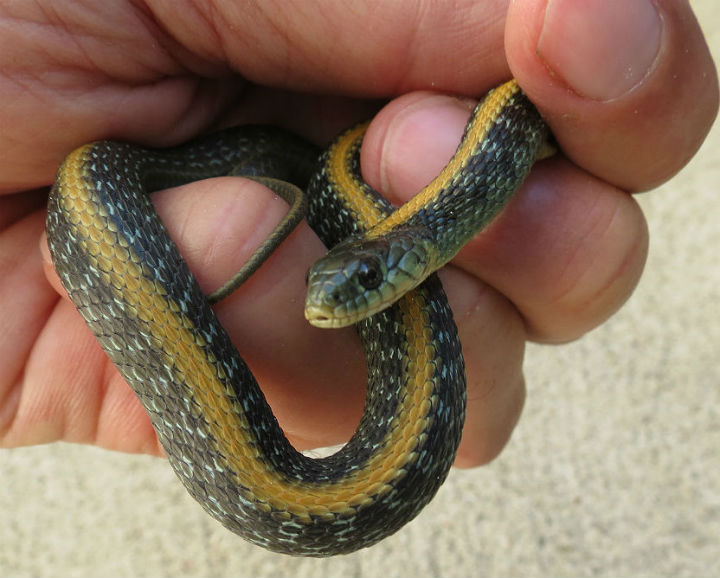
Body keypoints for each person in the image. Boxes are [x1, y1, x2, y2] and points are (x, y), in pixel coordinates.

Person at [0, 0, 716, 468]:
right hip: (118, 173)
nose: (325, 307)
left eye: (366, 280)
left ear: (401, 259)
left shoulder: (477, 158)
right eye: (345, 282)